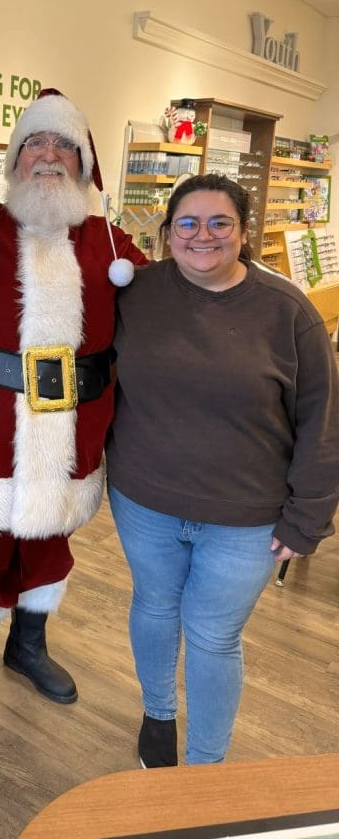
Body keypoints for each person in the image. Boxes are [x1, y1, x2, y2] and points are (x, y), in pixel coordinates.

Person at [0, 89, 147, 759]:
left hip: (73, 434)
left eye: (64, 146)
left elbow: (179, 300)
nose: (49, 156)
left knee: (49, 547)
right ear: (14, 158)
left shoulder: (113, 245)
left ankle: (28, 646)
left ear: (84, 163)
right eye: (35, 143)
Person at [106, 172, 339, 768]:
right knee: (154, 607)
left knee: (213, 636)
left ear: (243, 232)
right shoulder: (135, 294)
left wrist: (308, 517)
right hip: (144, 501)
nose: (202, 235)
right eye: (187, 223)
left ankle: (207, 768)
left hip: (247, 519)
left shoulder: (288, 312)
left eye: (219, 223)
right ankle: (158, 714)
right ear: (167, 233)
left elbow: (323, 421)